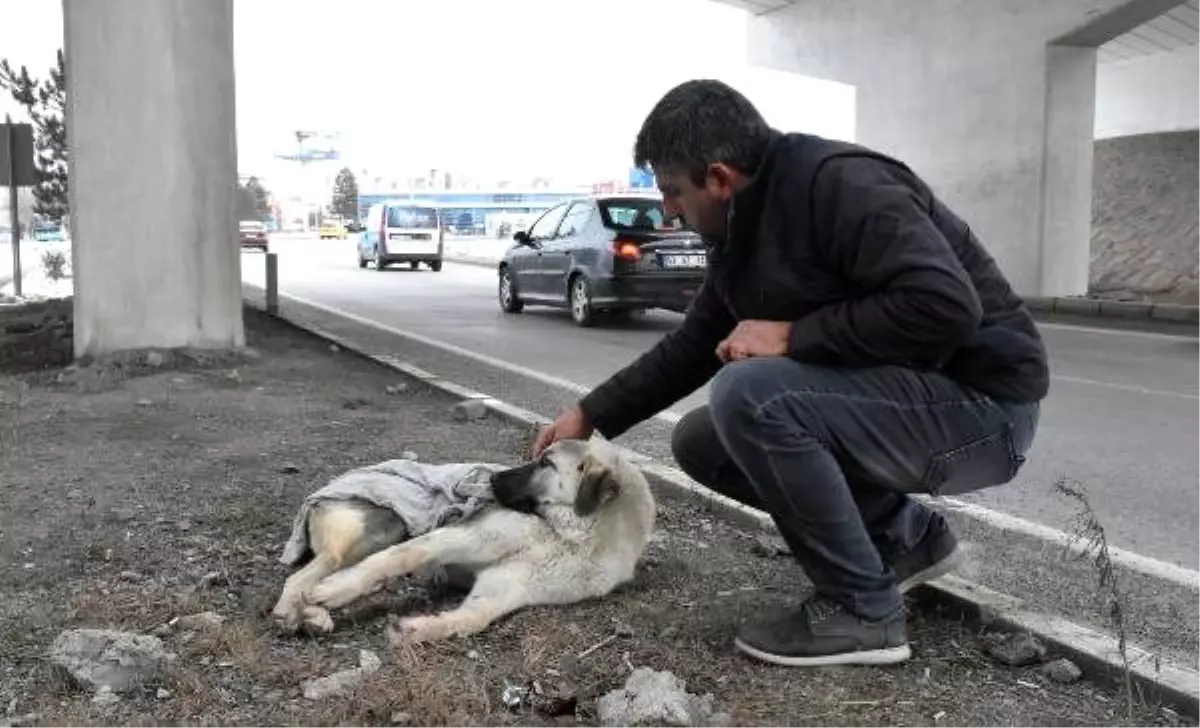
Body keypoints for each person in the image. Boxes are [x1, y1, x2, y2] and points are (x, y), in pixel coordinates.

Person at [531, 79, 1049, 668]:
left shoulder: (842, 186)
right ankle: (906, 540)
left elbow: (947, 306)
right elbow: (695, 343)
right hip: (919, 401)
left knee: (751, 396)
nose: (668, 208)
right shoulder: (735, 232)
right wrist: (591, 416)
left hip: (985, 408)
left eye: (673, 191)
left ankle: (863, 611)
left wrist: (792, 336)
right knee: (704, 439)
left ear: (720, 178)